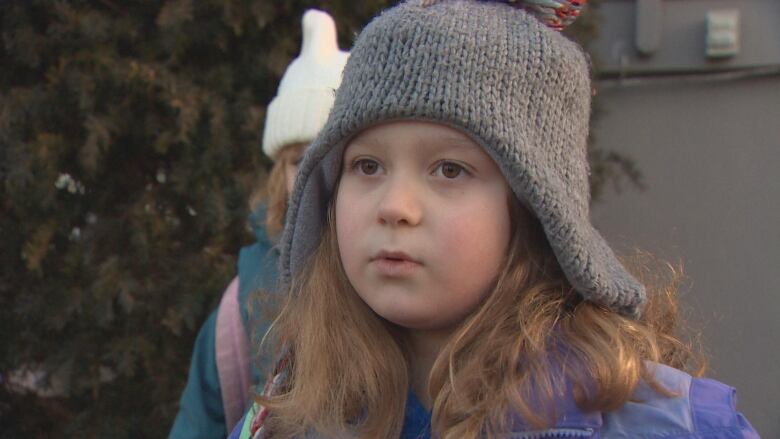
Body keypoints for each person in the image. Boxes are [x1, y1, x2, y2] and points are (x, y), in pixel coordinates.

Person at [230, 1, 759, 438]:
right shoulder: (280, 424)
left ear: (535, 209)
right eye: (367, 165)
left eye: (450, 169)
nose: (394, 207)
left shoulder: (676, 426)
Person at [168, 9, 349, 439]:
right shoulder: (238, 312)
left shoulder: (413, 285)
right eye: (299, 160)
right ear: (278, 175)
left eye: (337, 157)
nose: (315, 177)